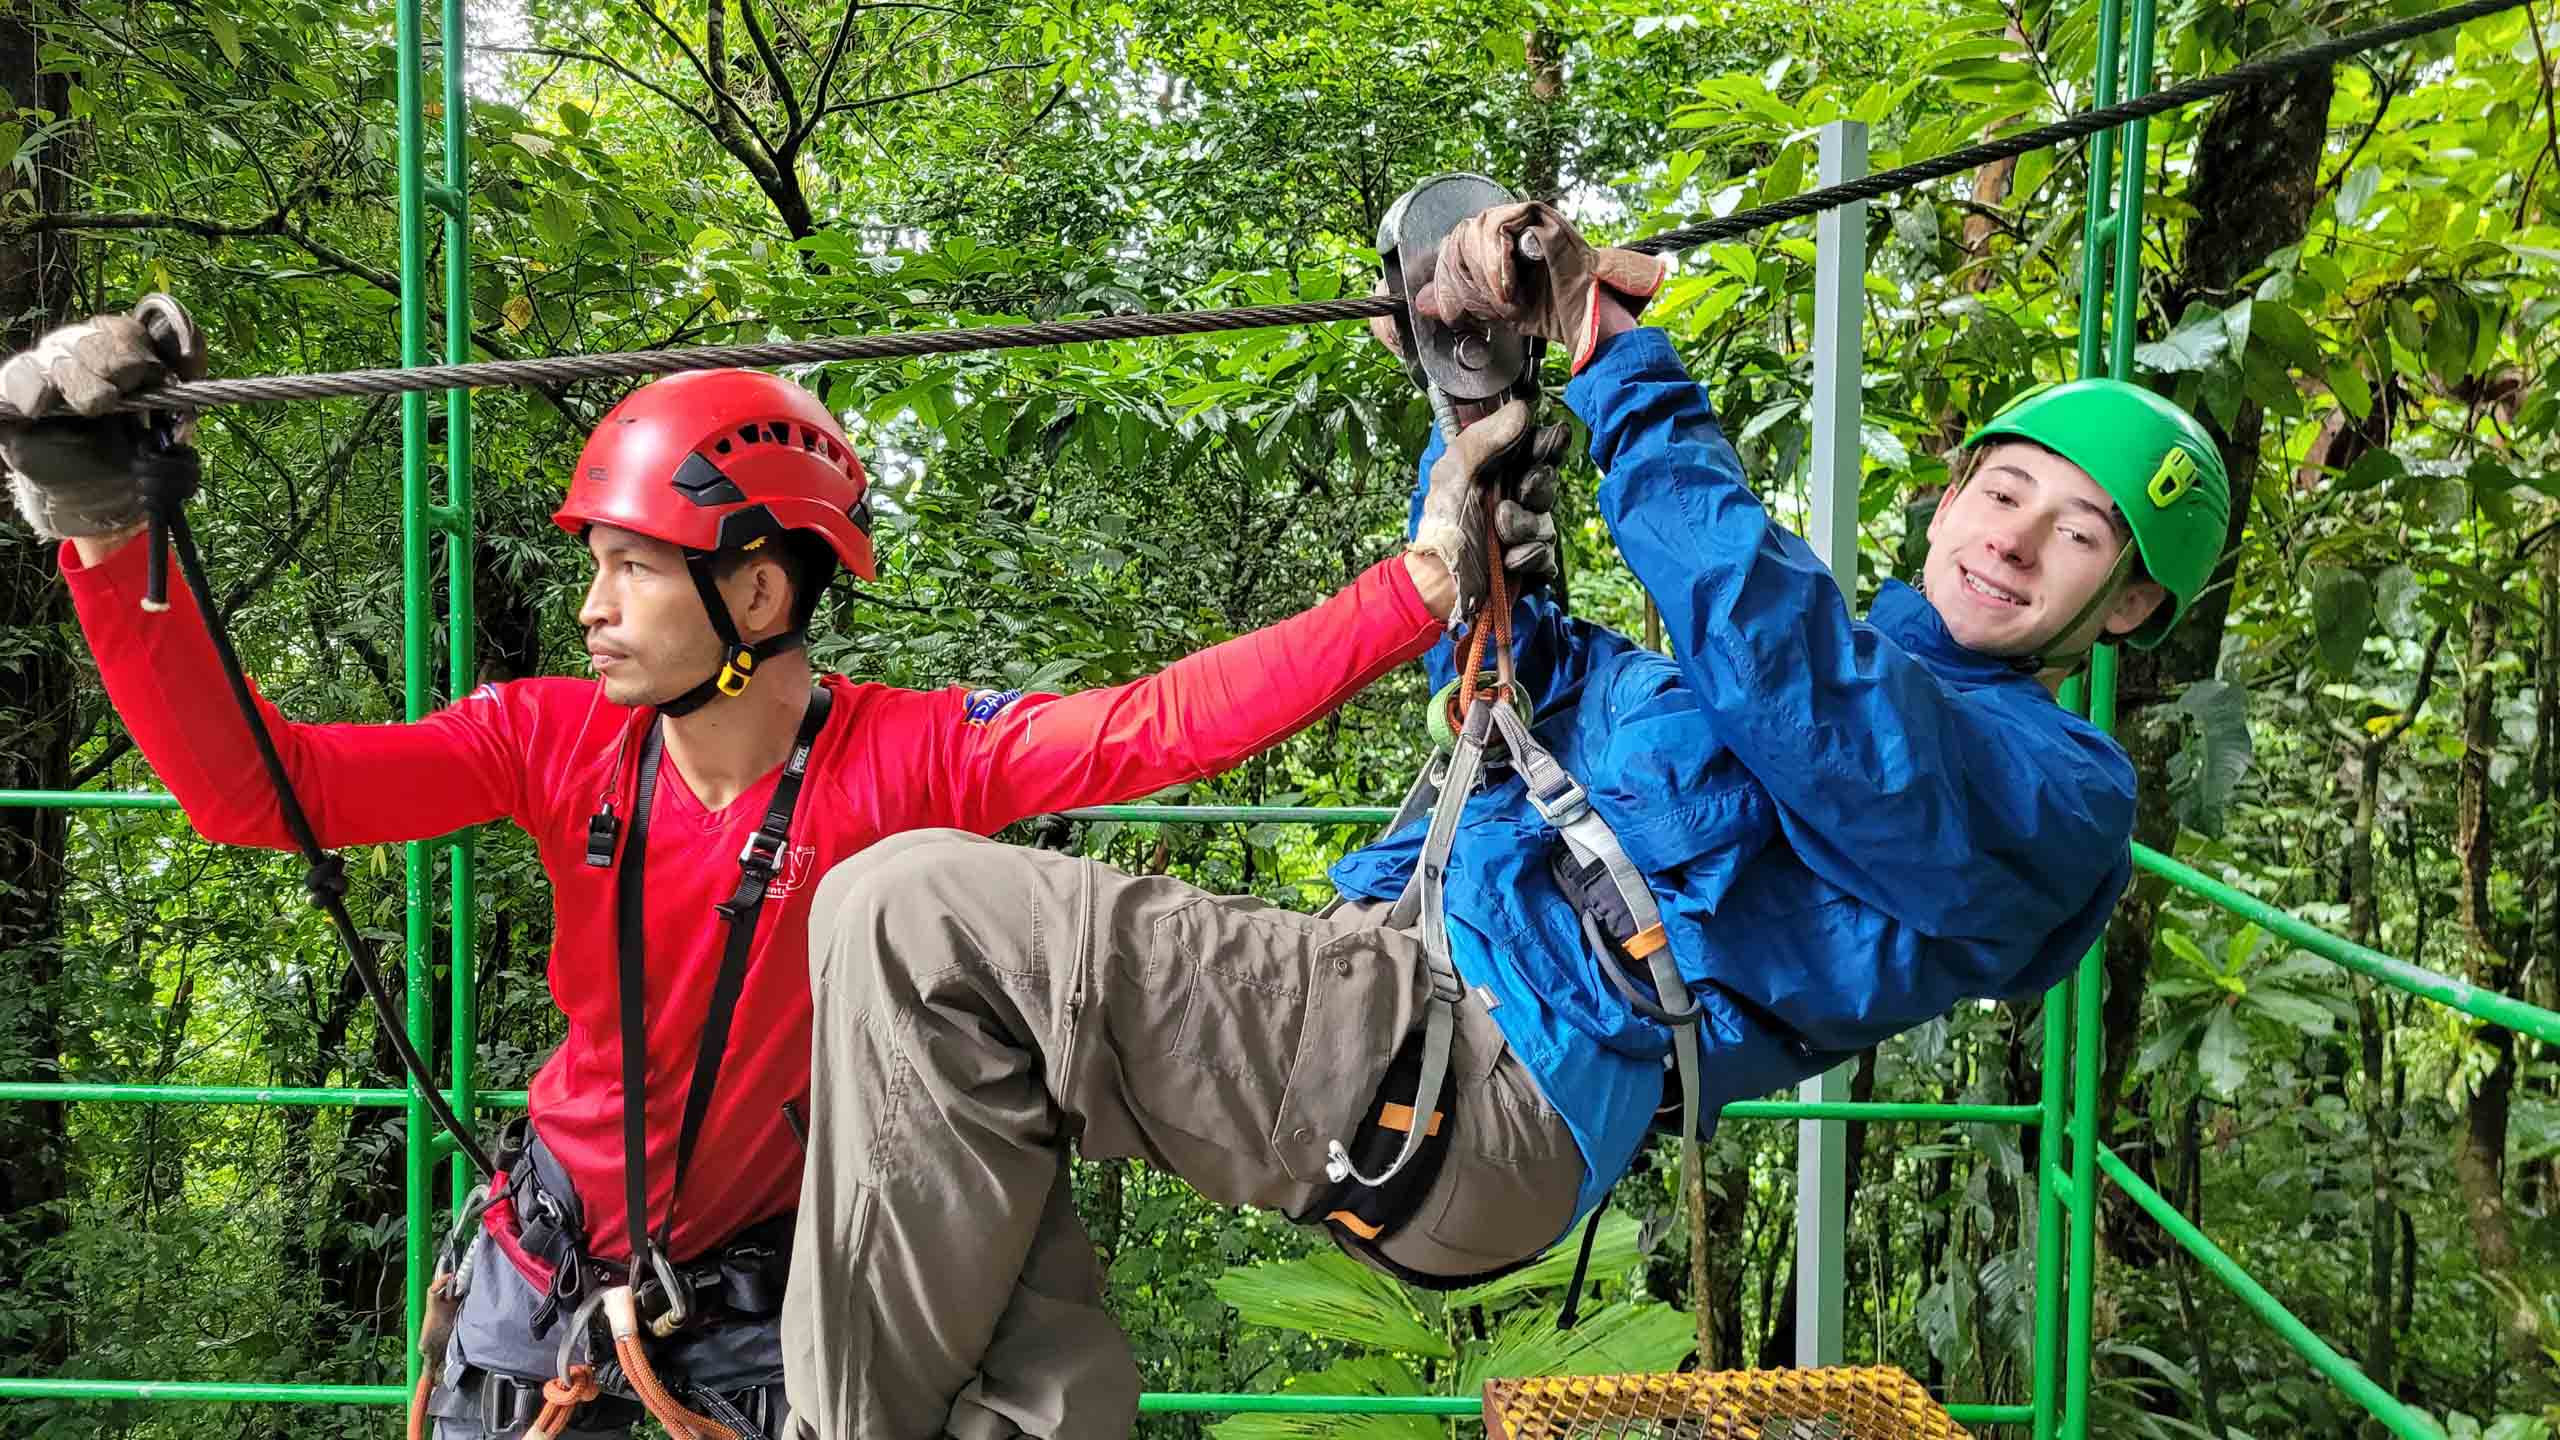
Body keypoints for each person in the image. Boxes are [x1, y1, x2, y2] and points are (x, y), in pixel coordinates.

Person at [776, 202, 2229, 1440]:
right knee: (971, 1053)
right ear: (1952, 498)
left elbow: (1810, 698)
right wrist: (1474, 429)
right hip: (1408, 1005)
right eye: (2006, 490)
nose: (2015, 538)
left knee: (912, 917)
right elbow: (1521, 683)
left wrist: (1617, 362)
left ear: (2129, 607)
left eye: (2079, 535)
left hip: (1490, 1077)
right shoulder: (1761, 683)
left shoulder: (2055, 800)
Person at [0, 297, 1560, 1438]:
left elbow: (1154, 725)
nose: (593, 605)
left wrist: (1424, 581)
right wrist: (106, 532)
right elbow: (258, 794)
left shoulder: (913, 759)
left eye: (630, 568)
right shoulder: (553, 740)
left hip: (758, 1301)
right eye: (596, 566)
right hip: (542, 1268)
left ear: (755, 593)